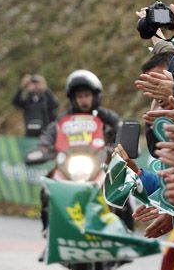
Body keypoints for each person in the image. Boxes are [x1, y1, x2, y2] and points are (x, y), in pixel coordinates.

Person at [36, 70, 120, 238]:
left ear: (95, 96)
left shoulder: (107, 118)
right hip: (70, 166)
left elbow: (121, 129)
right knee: (47, 186)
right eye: (80, 96)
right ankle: (49, 230)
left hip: (100, 165)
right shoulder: (62, 120)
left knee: (121, 188)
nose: (83, 100)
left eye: (87, 95)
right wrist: (43, 147)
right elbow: (49, 135)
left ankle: (125, 231)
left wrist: (120, 143)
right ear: (73, 98)